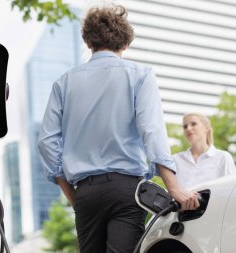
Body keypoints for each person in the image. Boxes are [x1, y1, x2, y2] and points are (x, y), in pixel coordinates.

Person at [37, 4, 199, 253]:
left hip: (85, 193)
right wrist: (173, 186)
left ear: (88, 42)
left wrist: (73, 196)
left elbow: (47, 143)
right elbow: (152, 132)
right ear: (125, 43)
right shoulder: (140, 75)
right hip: (126, 191)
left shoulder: (64, 83)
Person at [173, 112, 236, 189]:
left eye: (193, 124)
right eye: (185, 126)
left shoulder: (223, 157)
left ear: (206, 128)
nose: (188, 128)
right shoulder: (175, 159)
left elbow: (232, 189)